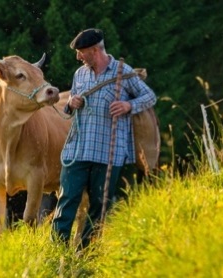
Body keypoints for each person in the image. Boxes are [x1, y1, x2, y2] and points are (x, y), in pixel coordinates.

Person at [51, 28, 157, 249]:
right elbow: (69, 106)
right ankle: (57, 252)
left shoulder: (123, 72)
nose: (78, 57)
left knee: (99, 206)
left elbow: (149, 96)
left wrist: (129, 105)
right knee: (67, 199)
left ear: (94, 50)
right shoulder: (80, 74)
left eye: (81, 52)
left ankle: (88, 252)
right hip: (77, 149)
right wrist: (71, 103)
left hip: (108, 152)